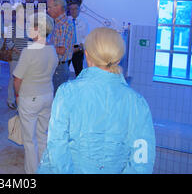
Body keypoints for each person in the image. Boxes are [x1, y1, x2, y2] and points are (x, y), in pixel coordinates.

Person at [38, 27, 156, 174]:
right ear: (118, 58)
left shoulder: (67, 92)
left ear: (87, 56)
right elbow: (142, 160)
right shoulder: (137, 102)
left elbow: (57, 144)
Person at [13, 13, 58, 174]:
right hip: (48, 96)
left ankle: (31, 173)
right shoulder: (52, 50)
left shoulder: (29, 51)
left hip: (30, 97)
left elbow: (17, 79)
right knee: (43, 135)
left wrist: (17, 97)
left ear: (38, 29)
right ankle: (45, 169)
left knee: (29, 140)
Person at [47, 0, 74, 96]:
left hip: (59, 69)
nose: (47, 10)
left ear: (58, 7)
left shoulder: (63, 25)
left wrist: (44, 46)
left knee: (56, 100)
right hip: (57, 67)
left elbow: (61, 50)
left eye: (49, 7)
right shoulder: (59, 23)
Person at [6, 5, 29, 109]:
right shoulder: (12, 26)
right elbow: (8, 42)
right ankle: (10, 100)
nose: (22, 14)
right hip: (15, 57)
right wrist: (17, 51)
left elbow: (31, 41)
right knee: (13, 79)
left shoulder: (29, 26)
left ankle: (22, 100)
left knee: (25, 80)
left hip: (27, 58)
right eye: (20, 12)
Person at [68, 3, 89, 77]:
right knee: (64, 70)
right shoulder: (67, 21)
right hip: (68, 48)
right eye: (71, 9)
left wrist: (79, 48)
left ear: (79, 10)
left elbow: (86, 37)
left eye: (75, 9)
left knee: (78, 71)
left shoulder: (84, 22)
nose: (73, 11)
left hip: (78, 49)